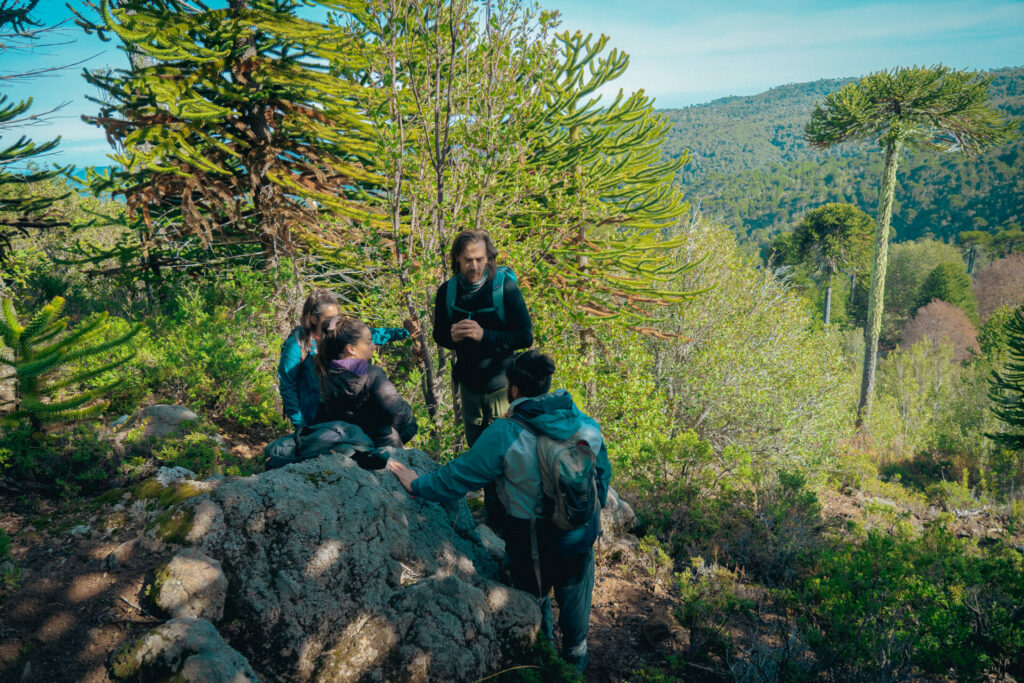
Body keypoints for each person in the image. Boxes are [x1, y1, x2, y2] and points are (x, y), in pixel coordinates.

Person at [388, 350, 611, 672]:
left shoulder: (505, 433)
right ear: (547, 385)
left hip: (531, 539)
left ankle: (543, 662)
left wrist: (417, 484)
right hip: (580, 532)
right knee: (576, 597)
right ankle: (575, 663)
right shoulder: (585, 425)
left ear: (515, 390)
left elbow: (458, 478)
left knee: (534, 602)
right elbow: (601, 479)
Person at [433, 230, 533, 525]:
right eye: (467, 260)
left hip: (503, 386)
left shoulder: (506, 289)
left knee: (508, 453)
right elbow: (440, 334)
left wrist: (484, 335)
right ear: (456, 260)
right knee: (478, 451)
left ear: (489, 258)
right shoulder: (447, 292)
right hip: (469, 386)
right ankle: (491, 510)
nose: (474, 266)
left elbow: (525, 336)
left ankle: (510, 514)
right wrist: (450, 336)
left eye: (480, 259)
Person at [278, 290, 410, 432]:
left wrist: (403, 332)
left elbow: (368, 336)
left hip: (339, 413)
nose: (334, 322)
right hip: (312, 416)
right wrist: (300, 425)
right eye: (329, 318)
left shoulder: (335, 335)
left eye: (337, 317)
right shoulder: (297, 344)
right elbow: (288, 386)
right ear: (313, 319)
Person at [314, 315, 417, 449]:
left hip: (341, 445)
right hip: (380, 447)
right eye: (368, 342)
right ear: (351, 349)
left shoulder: (321, 372)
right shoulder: (372, 375)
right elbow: (399, 414)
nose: (374, 347)